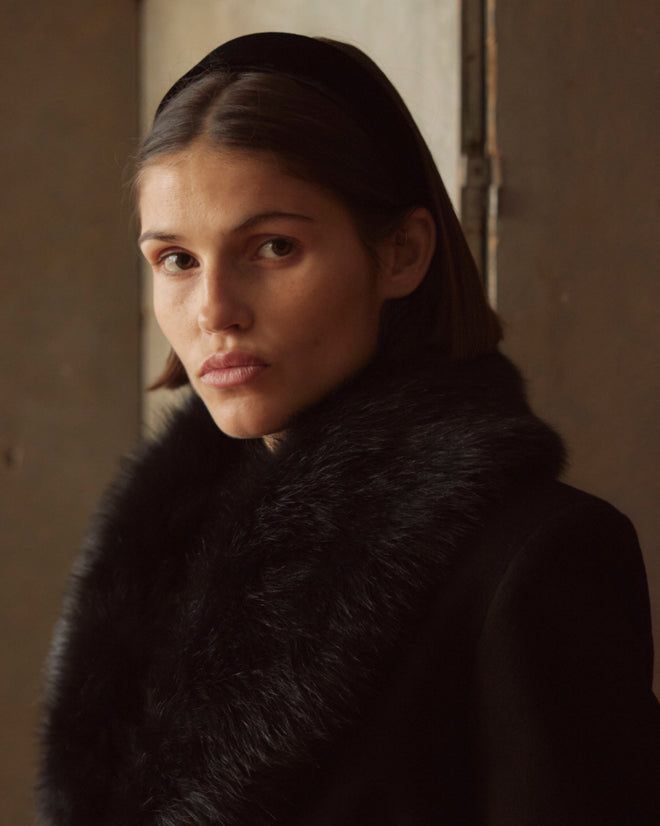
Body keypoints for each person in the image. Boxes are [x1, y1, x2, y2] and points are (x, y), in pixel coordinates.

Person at [38, 32, 660, 825]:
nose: (213, 311)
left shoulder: (535, 563)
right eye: (177, 260)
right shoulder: (163, 564)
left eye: (272, 247)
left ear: (402, 253)